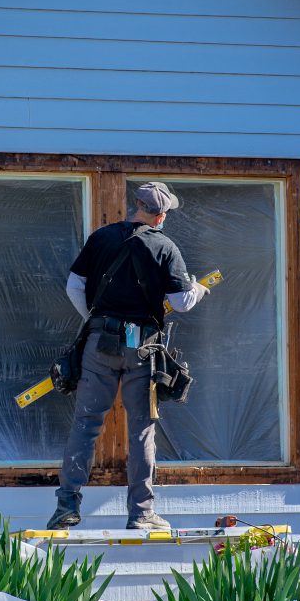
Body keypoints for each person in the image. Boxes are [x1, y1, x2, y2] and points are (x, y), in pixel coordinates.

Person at [47, 181, 210, 531]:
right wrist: (199, 288)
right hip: (143, 349)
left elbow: (74, 287)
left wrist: (97, 319)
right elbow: (181, 303)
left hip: (98, 345)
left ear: (135, 204)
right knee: (141, 431)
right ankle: (141, 514)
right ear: (161, 216)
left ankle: (66, 506)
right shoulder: (165, 246)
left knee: (86, 424)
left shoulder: (102, 237)